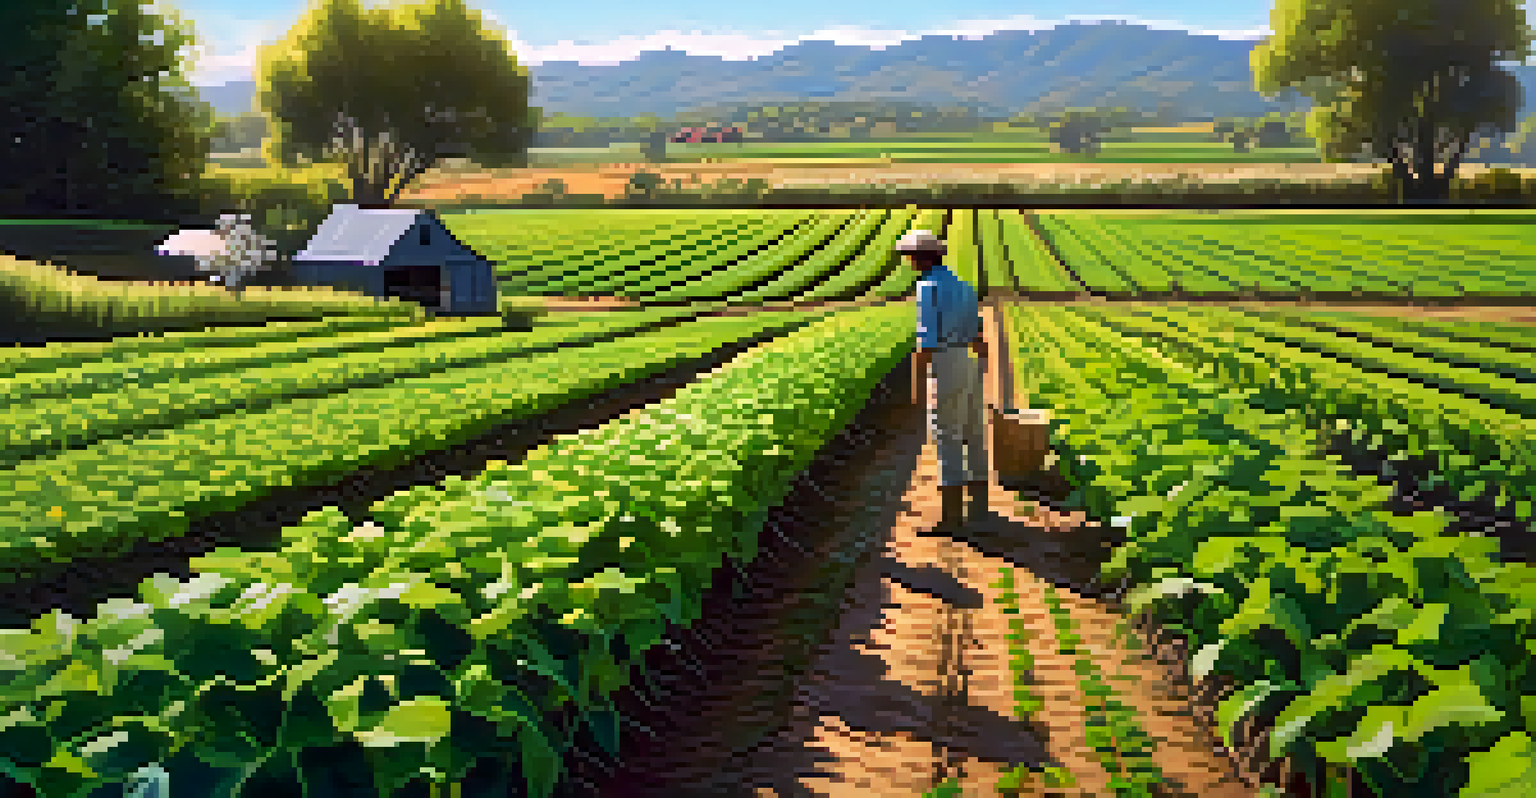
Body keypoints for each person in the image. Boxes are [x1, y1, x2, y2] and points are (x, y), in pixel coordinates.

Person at [896, 229, 988, 533]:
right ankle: (979, 510)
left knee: (946, 436)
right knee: (973, 433)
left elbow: (927, 342)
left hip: (946, 361)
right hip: (968, 362)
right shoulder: (964, 287)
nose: (908, 262)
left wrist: (916, 386)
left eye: (909, 257)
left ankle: (950, 518)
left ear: (921, 259)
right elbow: (979, 339)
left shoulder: (928, 287)